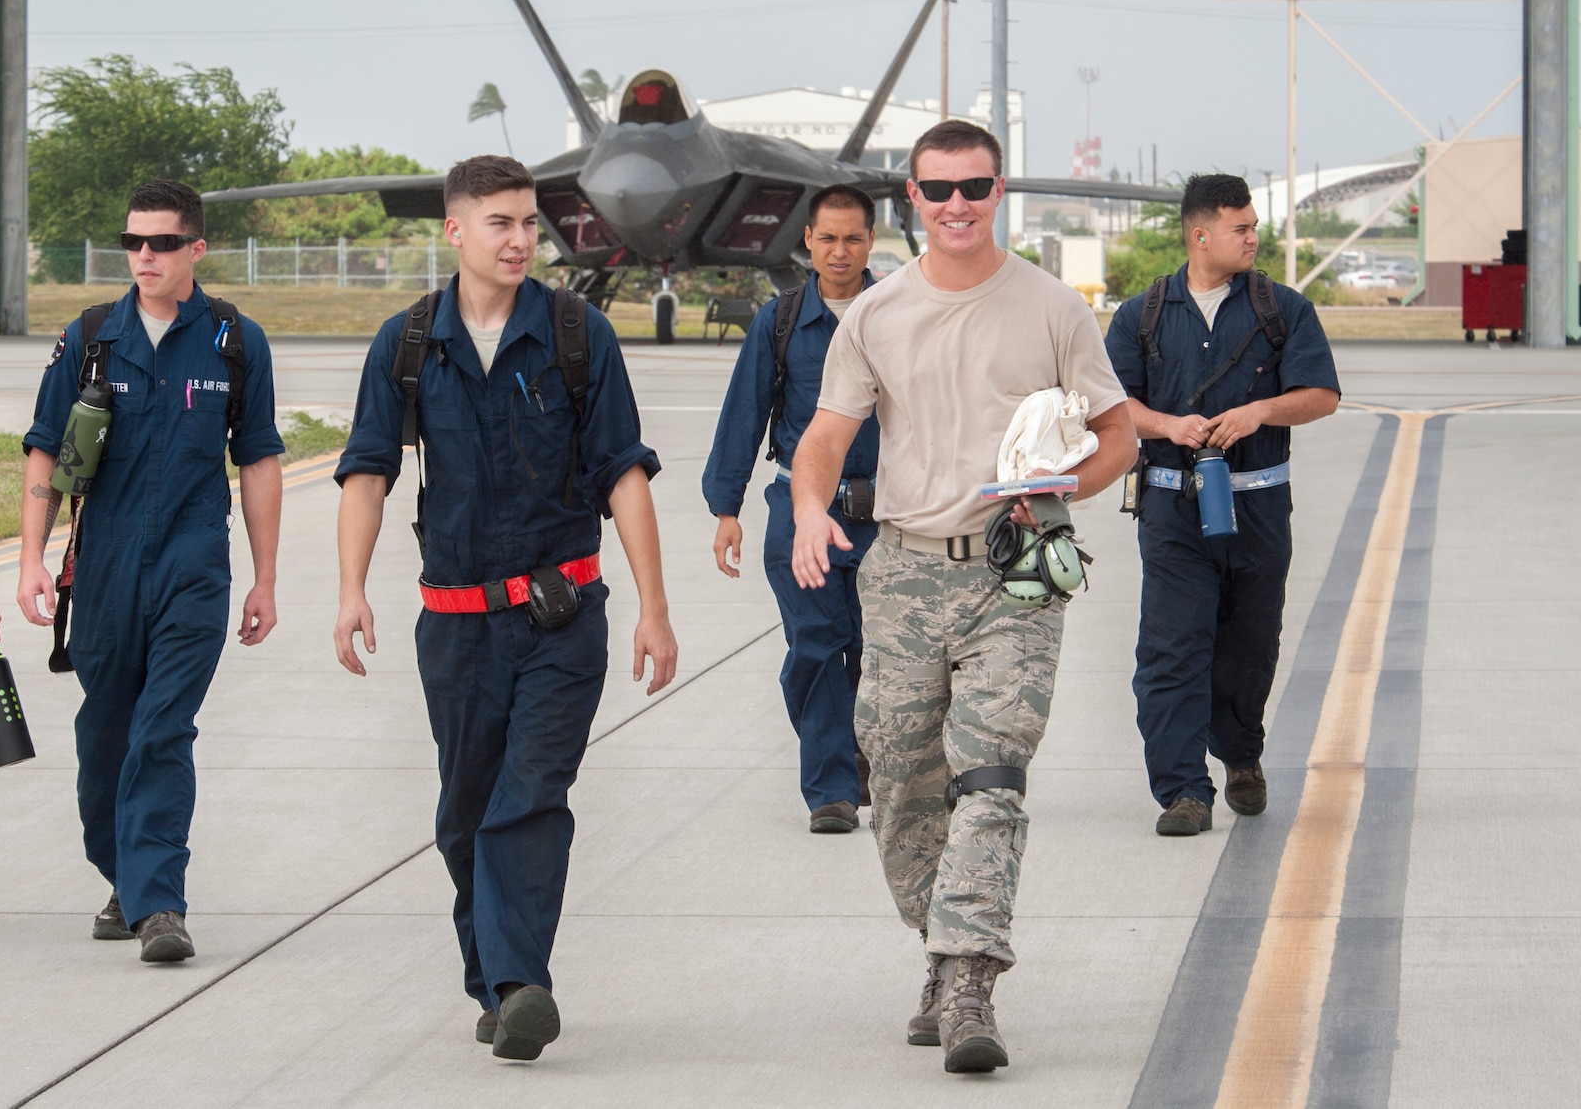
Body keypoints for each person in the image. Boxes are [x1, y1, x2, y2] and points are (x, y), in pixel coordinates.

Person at [790, 119, 1136, 1073]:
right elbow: (824, 434)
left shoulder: (1054, 308)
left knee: (991, 777)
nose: (957, 205)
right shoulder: (876, 313)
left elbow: (1117, 434)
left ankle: (972, 980)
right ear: (913, 198)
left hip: (1015, 570)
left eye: (975, 187)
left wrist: (1073, 486)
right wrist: (808, 511)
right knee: (899, 780)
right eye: (938, 189)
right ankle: (941, 954)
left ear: (999, 192)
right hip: (900, 569)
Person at [332, 154, 678, 1062]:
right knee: (464, 814)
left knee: (529, 796)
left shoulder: (577, 334)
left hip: (563, 617)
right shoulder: (407, 344)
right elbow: (368, 473)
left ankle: (524, 984)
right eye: (501, 223)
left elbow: (624, 474)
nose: (522, 239)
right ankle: (493, 976)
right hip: (453, 623)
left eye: (530, 222)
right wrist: (349, 592)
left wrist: (653, 606)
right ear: (455, 230)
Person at [17, 179, 285, 964]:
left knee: (164, 729)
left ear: (196, 249)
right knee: (107, 736)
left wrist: (265, 577)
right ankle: (123, 875)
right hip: (102, 566)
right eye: (134, 241)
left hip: (193, 564)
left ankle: (159, 901)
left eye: (163, 243)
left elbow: (260, 460)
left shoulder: (235, 341)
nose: (145, 256)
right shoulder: (91, 338)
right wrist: (32, 557)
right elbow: (44, 447)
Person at [1104, 173, 1340, 837]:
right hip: (1173, 510)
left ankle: (1240, 756)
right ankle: (1183, 789)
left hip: (1260, 508)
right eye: (1241, 228)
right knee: (1172, 649)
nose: (1253, 238)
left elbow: (1322, 394)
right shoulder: (1141, 315)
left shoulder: (1282, 309)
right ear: (1199, 234)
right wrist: (1166, 426)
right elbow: (1112, 404)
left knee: (1248, 646)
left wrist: (1260, 411)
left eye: (1254, 225)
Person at [703, 183, 882, 834]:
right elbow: (743, 416)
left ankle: (867, 758)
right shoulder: (777, 322)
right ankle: (830, 787)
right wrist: (727, 508)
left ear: (871, 240)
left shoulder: (897, 315)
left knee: (876, 650)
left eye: (853, 237)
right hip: (800, 512)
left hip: (886, 517)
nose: (840, 251)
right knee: (815, 644)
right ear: (807, 238)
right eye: (828, 237)